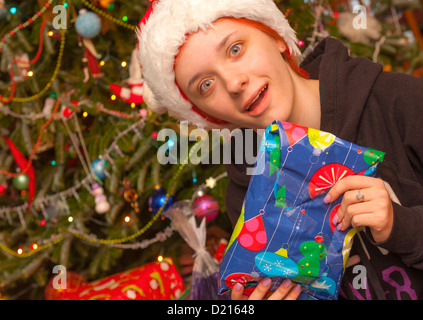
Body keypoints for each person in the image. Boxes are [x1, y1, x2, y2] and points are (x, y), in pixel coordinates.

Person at [137, 0, 423, 300]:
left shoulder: (400, 102)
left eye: (235, 49)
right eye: (206, 85)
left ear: (276, 37)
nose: (234, 83)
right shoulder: (246, 190)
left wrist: (399, 225)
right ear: (206, 114)